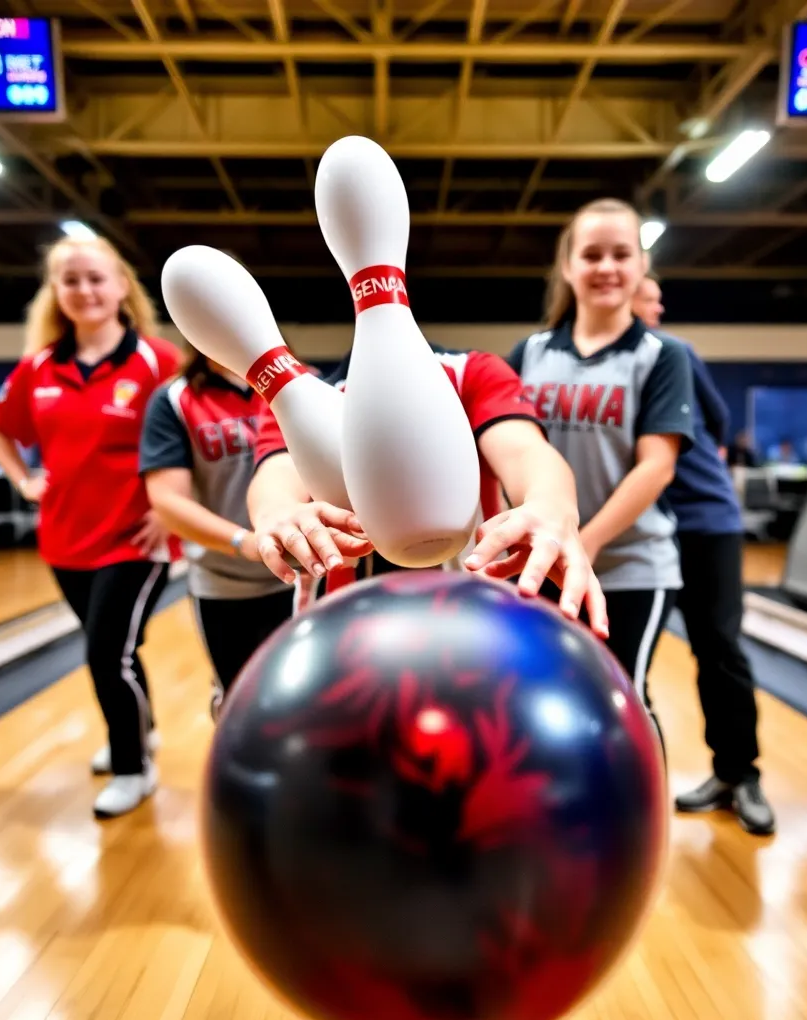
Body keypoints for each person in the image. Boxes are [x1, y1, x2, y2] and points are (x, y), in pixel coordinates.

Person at [0, 235, 181, 819]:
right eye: (70, 280)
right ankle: (139, 731)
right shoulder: (39, 366)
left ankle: (132, 768)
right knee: (119, 651)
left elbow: (192, 434)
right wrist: (23, 479)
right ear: (56, 291)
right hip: (65, 540)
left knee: (104, 655)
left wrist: (170, 505)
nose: (84, 290)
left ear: (121, 286)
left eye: (95, 278)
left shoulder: (158, 362)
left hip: (135, 540)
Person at [244, 345, 609, 637]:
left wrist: (550, 501)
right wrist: (275, 512)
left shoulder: (470, 373)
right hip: (343, 629)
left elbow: (525, 451)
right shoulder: (306, 400)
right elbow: (276, 478)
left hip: (476, 619)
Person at [507, 198, 696, 750]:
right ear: (568, 267)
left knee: (624, 702)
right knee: (538, 701)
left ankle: (646, 808)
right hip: (541, 564)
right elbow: (503, 454)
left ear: (642, 265)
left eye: (621, 254)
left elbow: (656, 467)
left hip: (630, 566)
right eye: (591, 255)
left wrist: (581, 545)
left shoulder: (662, 356)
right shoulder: (530, 353)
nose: (606, 267)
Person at [633, 274, 775, 835]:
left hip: (705, 523)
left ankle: (739, 775)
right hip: (642, 529)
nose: (658, 306)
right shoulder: (598, 362)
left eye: (656, 298)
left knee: (718, 649)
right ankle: (629, 788)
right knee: (628, 659)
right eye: (650, 298)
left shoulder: (675, 353)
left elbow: (717, 421)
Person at [139, 344, 295, 718]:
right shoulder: (174, 400)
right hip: (225, 581)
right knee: (241, 701)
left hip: (301, 577)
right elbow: (167, 500)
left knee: (302, 699)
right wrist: (243, 542)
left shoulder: (300, 385)